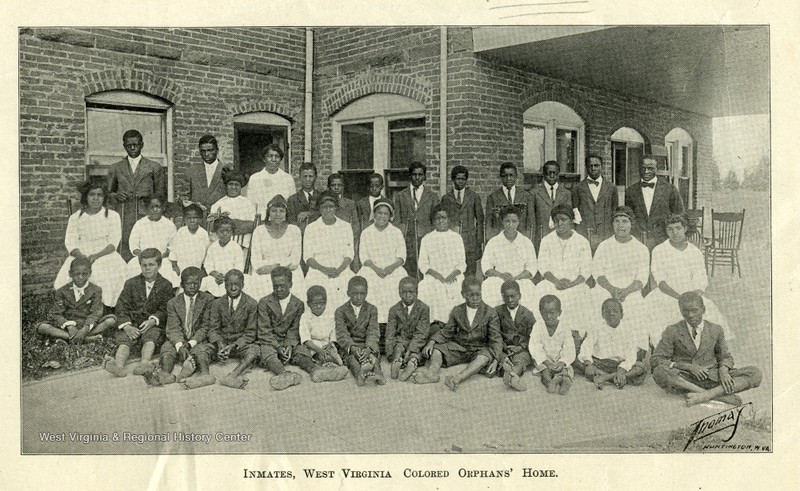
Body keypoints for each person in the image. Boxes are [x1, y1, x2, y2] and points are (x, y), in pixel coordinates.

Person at [651, 292, 762, 406]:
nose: (690, 315)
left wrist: (723, 371)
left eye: (694, 310)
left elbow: (725, 356)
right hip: (686, 379)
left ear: (703, 309)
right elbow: (656, 359)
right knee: (659, 371)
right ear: (680, 311)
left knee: (755, 373)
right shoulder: (672, 331)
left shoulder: (716, 329)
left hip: (714, 377)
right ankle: (719, 396)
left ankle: (706, 395)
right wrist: (687, 366)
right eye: (685, 311)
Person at [645, 214, 731, 349]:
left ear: (685, 228)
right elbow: (660, 281)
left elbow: (701, 278)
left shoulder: (694, 251)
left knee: (708, 312)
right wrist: (680, 298)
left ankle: (704, 352)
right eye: (670, 229)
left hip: (692, 294)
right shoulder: (659, 250)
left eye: (678, 228)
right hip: (667, 294)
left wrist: (694, 295)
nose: (675, 233)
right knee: (662, 317)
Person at [413, 277, 503, 392]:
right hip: (460, 347)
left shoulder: (490, 312)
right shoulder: (457, 310)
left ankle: (457, 378)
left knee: (485, 357)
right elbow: (447, 332)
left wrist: (495, 360)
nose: (475, 298)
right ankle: (432, 374)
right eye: (471, 295)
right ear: (463, 294)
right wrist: (432, 341)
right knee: (437, 350)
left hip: (479, 349)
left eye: (478, 295)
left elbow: (496, 339)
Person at [54, 177, 127, 308]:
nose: (95, 198)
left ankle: (104, 307)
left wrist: (96, 256)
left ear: (104, 197)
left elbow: (113, 243)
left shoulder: (113, 216)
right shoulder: (76, 217)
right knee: (69, 274)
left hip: (105, 253)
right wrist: (82, 257)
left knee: (106, 274)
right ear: (85, 197)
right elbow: (70, 242)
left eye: (99, 195)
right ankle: (77, 306)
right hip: (81, 253)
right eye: (92, 195)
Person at [103, 248, 175, 378]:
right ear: (140, 266)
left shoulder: (166, 285)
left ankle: (145, 363)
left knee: (151, 337)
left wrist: (153, 320)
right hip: (133, 322)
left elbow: (166, 309)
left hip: (152, 325)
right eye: (144, 265)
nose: (147, 269)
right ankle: (119, 366)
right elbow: (121, 306)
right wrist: (127, 326)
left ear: (159, 265)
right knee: (125, 340)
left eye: (151, 265)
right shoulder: (131, 283)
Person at [183, 269, 259, 389]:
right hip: (221, 343)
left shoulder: (252, 304)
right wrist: (220, 344)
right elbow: (213, 329)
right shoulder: (217, 303)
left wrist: (234, 345)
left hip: (239, 344)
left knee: (254, 350)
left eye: (237, 285)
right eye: (229, 285)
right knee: (199, 349)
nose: (233, 288)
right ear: (224, 285)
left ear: (242, 285)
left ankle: (233, 375)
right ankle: (205, 375)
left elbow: (250, 332)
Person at [143, 267, 214, 386]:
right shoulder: (173, 303)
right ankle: (165, 374)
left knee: (201, 351)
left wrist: (191, 343)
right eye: (188, 283)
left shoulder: (208, 299)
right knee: (167, 348)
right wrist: (180, 345)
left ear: (200, 284)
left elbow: (205, 326)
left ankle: (204, 375)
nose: (192, 286)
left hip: (199, 339)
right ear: (181, 284)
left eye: (196, 283)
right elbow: (173, 328)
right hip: (180, 339)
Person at [106, 129, 167, 260]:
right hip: (124, 214)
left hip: (146, 214)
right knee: (125, 247)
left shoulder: (154, 167)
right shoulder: (116, 167)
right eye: (129, 145)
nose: (132, 148)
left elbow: (161, 194)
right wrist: (116, 196)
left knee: (146, 246)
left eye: (136, 144)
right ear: (124, 146)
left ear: (142, 145)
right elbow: (108, 193)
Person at [591, 206, 649, 333]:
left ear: (631, 224)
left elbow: (641, 278)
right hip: (606, 289)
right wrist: (612, 290)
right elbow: (598, 274)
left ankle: (635, 348)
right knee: (596, 300)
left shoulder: (641, 248)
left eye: (625, 221)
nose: (620, 225)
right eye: (616, 221)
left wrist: (626, 291)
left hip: (630, 290)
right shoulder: (604, 246)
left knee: (637, 306)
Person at [536, 204, 594, 332]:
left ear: (571, 221)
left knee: (583, 293)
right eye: (556, 220)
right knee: (540, 289)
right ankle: (546, 332)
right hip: (552, 283)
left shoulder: (582, 241)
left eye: (563, 219)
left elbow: (586, 269)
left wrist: (572, 283)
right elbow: (543, 265)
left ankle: (576, 334)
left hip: (575, 283)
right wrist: (556, 281)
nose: (559, 223)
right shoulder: (546, 240)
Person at [37, 257, 117, 344]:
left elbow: (96, 313)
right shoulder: (61, 291)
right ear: (70, 274)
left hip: (86, 324)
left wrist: (85, 328)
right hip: (67, 324)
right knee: (42, 327)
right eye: (77, 274)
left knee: (111, 320)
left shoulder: (96, 290)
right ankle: (86, 339)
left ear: (90, 274)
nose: (80, 277)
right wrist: (69, 325)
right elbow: (56, 314)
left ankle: (69, 338)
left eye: (84, 274)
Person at [574, 298, 648, 390]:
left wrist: (621, 371)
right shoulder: (597, 328)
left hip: (618, 365)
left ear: (621, 315)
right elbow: (586, 347)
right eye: (607, 311)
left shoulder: (629, 331)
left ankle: (604, 377)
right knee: (576, 360)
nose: (611, 314)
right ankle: (616, 378)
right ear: (602, 314)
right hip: (599, 363)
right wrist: (589, 365)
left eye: (615, 311)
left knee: (641, 367)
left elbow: (631, 357)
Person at [357, 198, 407, 325]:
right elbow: (364, 257)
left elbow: (401, 257)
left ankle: (392, 322)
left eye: (385, 214)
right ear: (374, 214)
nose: (382, 216)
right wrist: (376, 269)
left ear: (390, 216)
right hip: (372, 268)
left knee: (399, 279)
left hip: (392, 268)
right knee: (366, 279)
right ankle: (372, 322)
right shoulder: (366, 232)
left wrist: (391, 268)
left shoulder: (396, 232)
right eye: (379, 213)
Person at [254, 267, 305, 390]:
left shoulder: (298, 304)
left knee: (303, 351)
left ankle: (315, 370)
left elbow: (294, 329)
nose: (278, 290)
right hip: (270, 341)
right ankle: (284, 374)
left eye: (282, 286)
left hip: (288, 341)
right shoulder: (264, 302)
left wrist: (289, 345)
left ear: (290, 284)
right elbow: (264, 330)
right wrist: (278, 347)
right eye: (275, 286)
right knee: (266, 352)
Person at [481, 205, 538, 313]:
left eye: (514, 221)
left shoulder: (526, 242)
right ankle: (493, 320)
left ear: (518, 222)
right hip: (499, 279)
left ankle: (523, 322)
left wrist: (517, 277)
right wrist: (501, 275)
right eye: (507, 221)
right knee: (488, 286)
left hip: (520, 279)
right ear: (502, 221)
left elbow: (532, 266)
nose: (510, 225)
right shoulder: (494, 242)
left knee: (529, 288)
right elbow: (486, 266)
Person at [246, 195, 304, 301]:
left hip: (288, 272)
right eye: (274, 211)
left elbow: (295, 261)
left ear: (286, 213)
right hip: (264, 273)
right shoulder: (259, 231)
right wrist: (281, 265)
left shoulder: (294, 230)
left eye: (281, 211)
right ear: (268, 213)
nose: (278, 214)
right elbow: (255, 262)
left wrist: (274, 267)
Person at [303, 192, 355, 308]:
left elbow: (349, 255)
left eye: (331, 207)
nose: (328, 210)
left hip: (341, 268)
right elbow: (308, 257)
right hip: (318, 269)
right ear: (320, 209)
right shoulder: (311, 228)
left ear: (336, 208)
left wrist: (339, 270)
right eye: (324, 207)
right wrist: (324, 269)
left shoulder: (345, 226)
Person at [417, 204, 466, 324]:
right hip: (433, 275)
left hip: (453, 275)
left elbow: (462, 263)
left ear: (449, 219)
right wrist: (437, 275)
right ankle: (434, 322)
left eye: (443, 217)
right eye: (437, 218)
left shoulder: (456, 237)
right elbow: (423, 264)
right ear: (433, 221)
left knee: (457, 285)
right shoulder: (427, 239)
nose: (440, 220)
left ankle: (455, 323)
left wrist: (453, 274)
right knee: (427, 286)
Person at [625, 155, 685, 249]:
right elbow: (629, 217)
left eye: (650, 168)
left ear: (657, 169)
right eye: (643, 168)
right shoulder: (630, 191)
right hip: (639, 242)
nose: (646, 172)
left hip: (663, 241)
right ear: (639, 169)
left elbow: (679, 215)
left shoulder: (670, 189)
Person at [393, 161, 440, 277]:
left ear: (424, 176)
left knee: (425, 270)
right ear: (410, 176)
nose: (417, 177)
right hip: (407, 240)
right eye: (414, 174)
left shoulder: (432, 196)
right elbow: (397, 220)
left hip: (425, 238)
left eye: (420, 174)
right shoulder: (400, 196)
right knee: (409, 271)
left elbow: (435, 220)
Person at [293, 285, 349, 383]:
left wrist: (331, 343)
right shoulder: (305, 317)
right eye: (315, 304)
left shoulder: (330, 315)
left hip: (327, 344)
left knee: (339, 351)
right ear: (308, 304)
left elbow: (333, 332)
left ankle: (333, 367)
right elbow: (306, 339)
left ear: (326, 302)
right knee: (299, 353)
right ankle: (315, 369)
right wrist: (319, 350)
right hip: (312, 346)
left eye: (322, 303)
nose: (319, 307)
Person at [335, 276, 384, 386]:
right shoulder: (340, 311)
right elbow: (342, 333)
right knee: (352, 360)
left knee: (373, 357)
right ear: (348, 293)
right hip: (351, 346)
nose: (358, 297)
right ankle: (360, 375)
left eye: (362, 294)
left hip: (367, 344)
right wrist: (352, 347)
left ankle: (378, 373)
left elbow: (373, 331)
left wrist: (369, 348)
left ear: (366, 293)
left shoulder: (372, 309)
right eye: (355, 294)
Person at [124, 196, 180, 288]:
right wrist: (143, 255)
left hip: (162, 259)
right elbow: (133, 245)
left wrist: (159, 257)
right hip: (142, 258)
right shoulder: (140, 224)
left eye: (158, 207)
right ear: (147, 209)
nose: (155, 210)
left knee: (167, 271)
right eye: (152, 207)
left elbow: (173, 246)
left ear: (163, 208)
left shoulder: (169, 225)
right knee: (133, 269)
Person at [439, 165, 484, 276]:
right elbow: (443, 220)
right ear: (453, 179)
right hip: (452, 241)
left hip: (470, 242)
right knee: (454, 270)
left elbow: (480, 220)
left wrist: (479, 242)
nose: (460, 182)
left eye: (463, 179)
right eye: (458, 179)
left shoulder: (473, 197)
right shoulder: (446, 198)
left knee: (470, 271)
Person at [385, 277, 431, 381]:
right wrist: (390, 352)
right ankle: (396, 361)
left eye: (411, 292)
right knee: (398, 347)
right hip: (401, 339)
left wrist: (410, 350)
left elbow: (421, 333)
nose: (407, 295)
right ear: (399, 293)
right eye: (404, 292)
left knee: (416, 353)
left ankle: (412, 364)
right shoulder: (394, 309)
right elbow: (390, 332)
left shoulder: (424, 308)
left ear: (417, 292)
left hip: (418, 341)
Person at [528, 294, 575, 395]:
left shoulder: (564, 327)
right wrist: (547, 363)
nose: (548, 316)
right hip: (544, 360)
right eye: (545, 313)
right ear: (540, 313)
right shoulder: (538, 326)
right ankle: (551, 383)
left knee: (565, 370)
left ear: (559, 312)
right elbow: (535, 347)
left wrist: (562, 362)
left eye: (552, 313)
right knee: (544, 373)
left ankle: (564, 381)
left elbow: (569, 348)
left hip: (560, 359)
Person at [572, 154, 618, 252]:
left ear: (602, 166)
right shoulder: (577, 188)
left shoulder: (612, 188)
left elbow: (615, 213)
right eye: (590, 166)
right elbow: (575, 214)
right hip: (585, 235)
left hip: (606, 235)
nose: (593, 168)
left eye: (596, 165)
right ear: (586, 167)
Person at [496, 280, 536, 391]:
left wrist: (521, 347)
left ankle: (512, 375)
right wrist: (504, 346)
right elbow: (494, 333)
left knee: (521, 360)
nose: (510, 300)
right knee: (499, 357)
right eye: (506, 297)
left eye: (513, 296)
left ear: (519, 296)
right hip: (504, 348)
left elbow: (533, 337)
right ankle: (506, 368)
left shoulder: (528, 314)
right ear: (502, 297)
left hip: (521, 349)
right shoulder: (497, 312)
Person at [485, 162, 536, 242]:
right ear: (501, 177)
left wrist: (527, 239)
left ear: (516, 176)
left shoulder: (526, 196)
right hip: (501, 241)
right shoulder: (492, 197)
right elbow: (489, 223)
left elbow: (530, 222)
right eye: (505, 176)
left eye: (511, 175)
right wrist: (493, 241)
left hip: (521, 240)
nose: (508, 179)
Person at [182, 134, 233, 214]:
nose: (206, 154)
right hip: (197, 218)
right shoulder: (191, 172)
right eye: (203, 151)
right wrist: (192, 204)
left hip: (220, 218)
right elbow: (184, 198)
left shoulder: (228, 171)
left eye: (210, 150)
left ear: (217, 150)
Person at [245, 143, 296, 217]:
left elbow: (291, 204)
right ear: (264, 159)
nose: (273, 159)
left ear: (281, 159)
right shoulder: (255, 178)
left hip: (281, 220)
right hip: (261, 220)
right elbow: (250, 204)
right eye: (270, 156)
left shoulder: (287, 178)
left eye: (277, 156)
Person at [532, 160, 573, 251]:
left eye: (555, 173)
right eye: (549, 173)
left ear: (558, 174)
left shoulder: (566, 194)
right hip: (542, 237)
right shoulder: (534, 193)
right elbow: (532, 220)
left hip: (561, 237)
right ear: (543, 174)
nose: (552, 176)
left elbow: (569, 219)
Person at [201, 217, 245, 298]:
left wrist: (226, 277)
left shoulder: (236, 248)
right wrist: (216, 275)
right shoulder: (213, 247)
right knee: (206, 281)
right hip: (216, 277)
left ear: (232, 232)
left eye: (227, 231)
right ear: (216, 232)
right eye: (221, 231)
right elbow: (208, 265)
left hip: (231, 278)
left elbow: (239, 267)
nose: (225, 234)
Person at [209, 171, 258, 237]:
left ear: (241, 186)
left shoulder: (249, 204)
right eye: (231, 184)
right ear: (226, 186)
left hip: (244, 242)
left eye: (236, 185)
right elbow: (213, 229)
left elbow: (253, 226)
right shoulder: (218, 204)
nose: (233, 187)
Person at [167, 204, 210, 278]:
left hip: (197, 267)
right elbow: (173, 250)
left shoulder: (203, 233)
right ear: (185, 219)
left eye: (195, 218)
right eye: (189, 218)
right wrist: (175, 265)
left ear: (200, 219)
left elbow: (207, 253)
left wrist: (203, 268)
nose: (192, 220)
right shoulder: (181, 232)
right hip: (181, 266)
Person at [286, 162, 321, 232]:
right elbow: (291, 222)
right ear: (300, 177)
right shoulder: (292, 199)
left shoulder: (322, 197)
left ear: (315, 177)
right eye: (305, 176)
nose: (308, 179)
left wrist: (309, 213)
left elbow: (326, 215)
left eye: (310, 176)